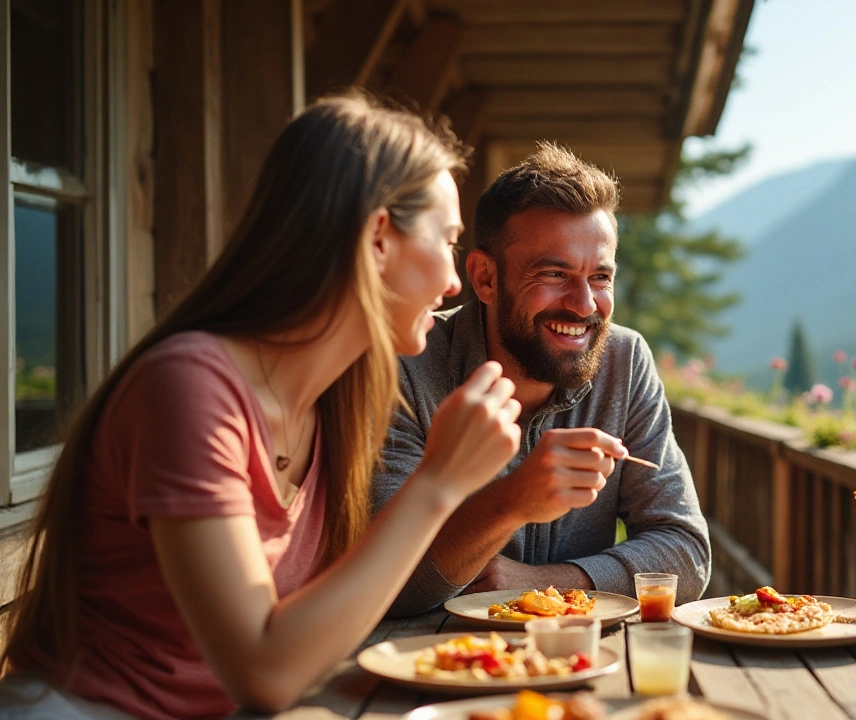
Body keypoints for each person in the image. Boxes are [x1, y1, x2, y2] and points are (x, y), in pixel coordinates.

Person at [0, 93, 522, 719]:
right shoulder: (189, 387)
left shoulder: (340, 405)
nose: (454, 283)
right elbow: (263, 671)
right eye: (447, 240)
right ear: (378, 238)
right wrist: (439, 482)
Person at [373, 143, 711, 616]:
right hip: (429, 667)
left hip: (589, 663)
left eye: (600, 277)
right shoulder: (405, 368)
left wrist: (542, 583)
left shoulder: (625, 361)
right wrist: (509, 504)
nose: (585, 304)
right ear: (485, 278)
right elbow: (384, 583)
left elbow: (686, 552)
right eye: (554, 273)